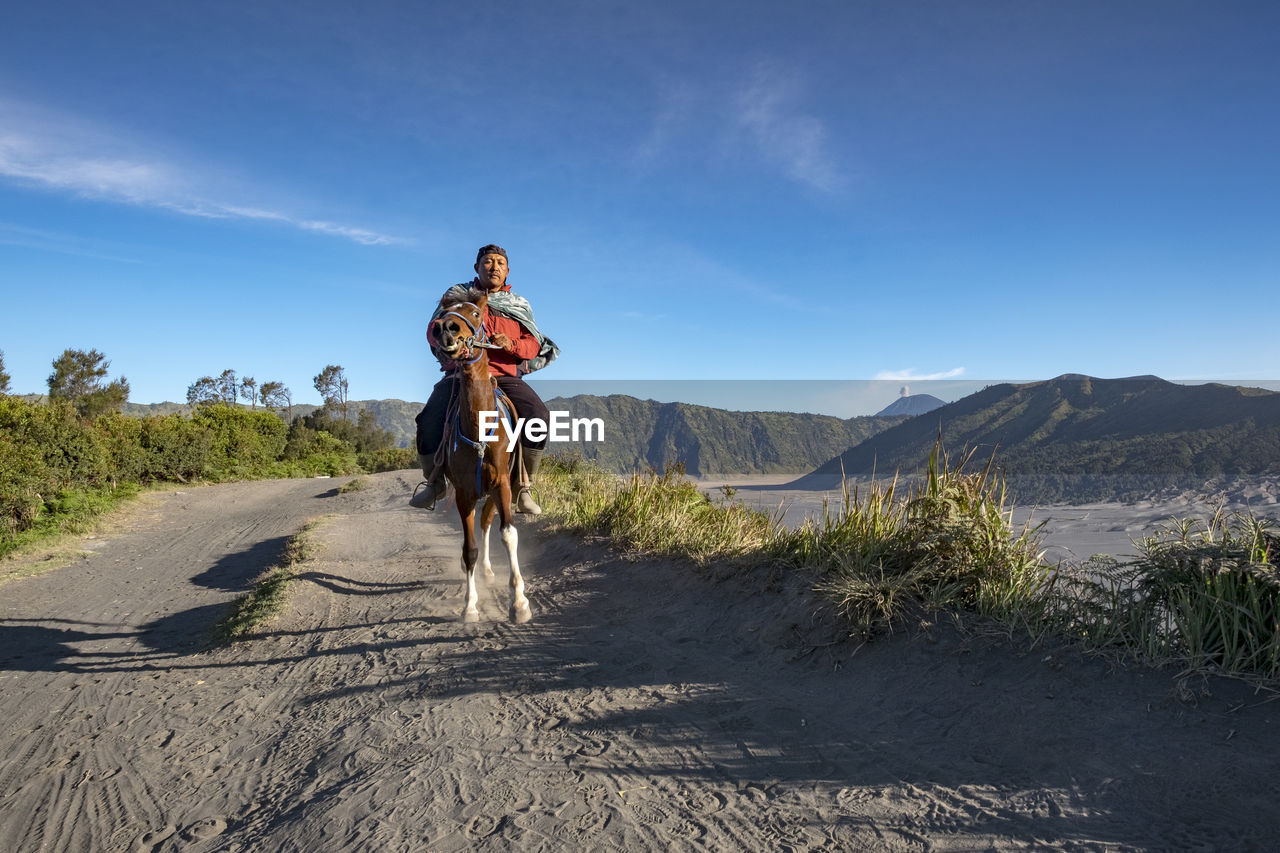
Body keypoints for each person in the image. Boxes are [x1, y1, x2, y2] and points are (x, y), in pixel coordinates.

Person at [411, 244, 559, 513]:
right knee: (428, 420)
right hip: (461, 374)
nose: (494, 267)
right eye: (488, 262)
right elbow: (434, 329)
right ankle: (434, 482)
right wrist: (453, 342)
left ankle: (522, 486)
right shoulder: (458, 297)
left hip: (504, 377)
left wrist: (511, 344)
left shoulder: (519, 305)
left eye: (500, 263)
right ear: (477, 267)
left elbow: (532, 345)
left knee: (538, 416)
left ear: (507, 271)